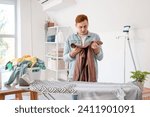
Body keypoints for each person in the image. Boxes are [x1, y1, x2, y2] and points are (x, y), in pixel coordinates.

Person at [63, 14, 103, 81]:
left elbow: (100, 57)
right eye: (80, 27)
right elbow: (65, 58)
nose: (83, 29)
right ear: (76, 25)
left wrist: (96, 49)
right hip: (73, 75)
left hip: (91, 75)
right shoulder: (70, 38)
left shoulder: (95, 37)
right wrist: (73, 53)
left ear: (88, 24)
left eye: (85, 26)